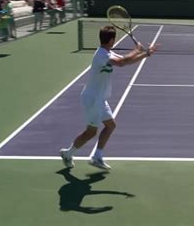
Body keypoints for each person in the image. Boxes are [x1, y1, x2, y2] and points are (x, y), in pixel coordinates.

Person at [60, 26, 160, 169]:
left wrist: (146, 54)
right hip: (93, 99)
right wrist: (137, 50)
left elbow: (126, 61)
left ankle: (93, 156)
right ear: (112, 40)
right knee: (91, 132)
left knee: (109, 126)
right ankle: (72, 154)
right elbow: (122, 62)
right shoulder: (102, 55)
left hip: (98, 99)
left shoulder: (107, 53)